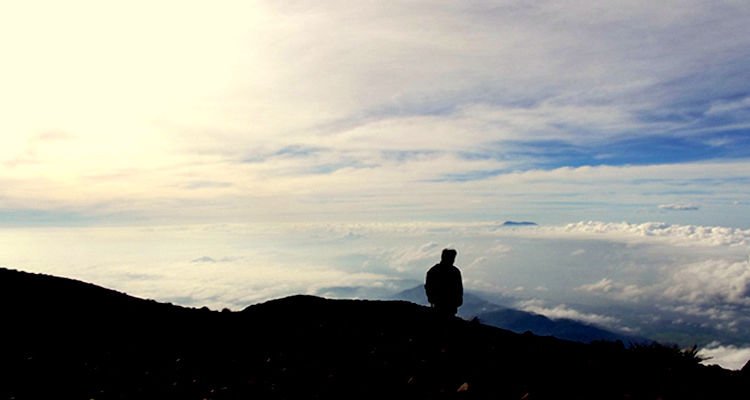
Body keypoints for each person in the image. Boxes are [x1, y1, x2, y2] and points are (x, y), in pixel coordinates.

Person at [424, 248, 463, 316]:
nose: (453, 260)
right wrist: (458, 301)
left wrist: (431, 299)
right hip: (449, 305)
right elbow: (459, 288)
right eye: (452, 258)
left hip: (439, 304)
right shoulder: (455, 271)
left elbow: (428, 287)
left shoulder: (433, 270)